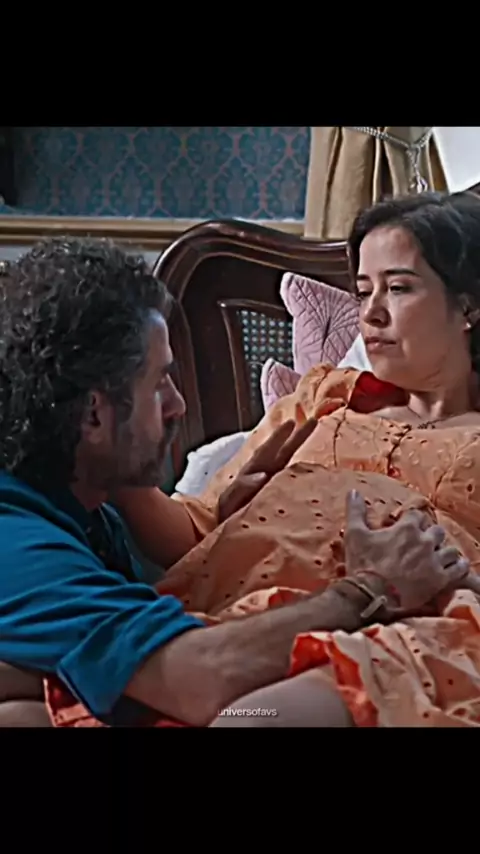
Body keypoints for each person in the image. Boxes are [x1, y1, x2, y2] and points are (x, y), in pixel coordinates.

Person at [0, 235, 464, 729]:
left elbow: (91, 658)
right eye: (158, 384)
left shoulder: (83, 502)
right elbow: (194, 679)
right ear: (93, 414)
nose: (178, 405)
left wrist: (224, 529)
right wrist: (370, 589)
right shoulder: (21, 545)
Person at [110, 190, 480, 728]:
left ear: (467, 307)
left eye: (399, 288)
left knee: (250, 720)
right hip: (246, 617)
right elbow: (192, 531)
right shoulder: (323, 399)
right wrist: (109, 456)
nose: (371, 313)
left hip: (414, 628)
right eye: (363, 291)